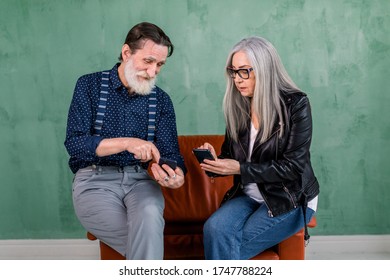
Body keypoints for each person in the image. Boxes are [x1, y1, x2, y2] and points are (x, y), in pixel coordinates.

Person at [64, 22, 186, 260]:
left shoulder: (161, 100)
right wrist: (128, 142)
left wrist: (176, 174)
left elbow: (170, 152)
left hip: (140, 181)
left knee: (150, 213)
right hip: (94, 181)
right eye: (148, 61)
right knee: (146, 240)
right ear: (126, 52)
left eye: (160, 65)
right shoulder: (89, 86)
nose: (153, 72)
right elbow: (75, 143)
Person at [198, 36, 320, 260]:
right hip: (249, 196)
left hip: (289, 197)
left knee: (227, 246)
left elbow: (292, 167)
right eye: (233, 71)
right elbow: (231, 157)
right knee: (213, 230)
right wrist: (216, 161)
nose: (237, 79)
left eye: (244, 71)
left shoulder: (296, 105)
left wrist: (240, 169)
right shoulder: (238, 106)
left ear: (264, 69)